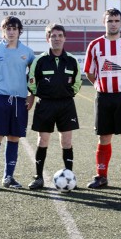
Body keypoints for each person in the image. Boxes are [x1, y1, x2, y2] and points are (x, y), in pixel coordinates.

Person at [83, 8, 121, 190]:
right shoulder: (95, 46)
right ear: (104, 22)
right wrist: (99, 86)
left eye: (116, 21)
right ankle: (101, 176)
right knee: (104, 137)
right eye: (110, 20)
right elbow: (89, 72)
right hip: (104, 97)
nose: (113, 24)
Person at [0, 16, 35, 191]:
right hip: (0, 100)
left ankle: (8, 177)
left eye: (14, 29)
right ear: (3, 31)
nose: (11, 32)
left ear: (19, 31)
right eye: (8, 29)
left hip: (19, 101)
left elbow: (33, 78)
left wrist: (31, 96)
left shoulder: (28, 52)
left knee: (14, 138)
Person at [27, 23, 82, 189]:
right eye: (53, 36)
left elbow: (78, 83)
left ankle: (69, 177)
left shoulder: (72, 61)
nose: (56, 39)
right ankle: (38, 177)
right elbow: (32, 82)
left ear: (65, 38)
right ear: (47, 39)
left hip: (66, 105)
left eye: (59, 36)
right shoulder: (40, 61)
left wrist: (65, 94)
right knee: (43, 139)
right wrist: (44, 95)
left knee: (66, 141)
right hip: (45, 104)